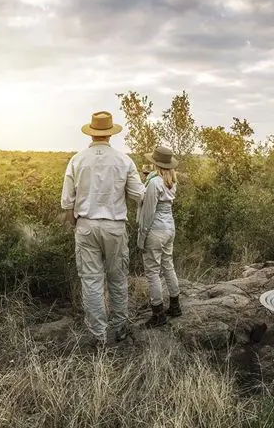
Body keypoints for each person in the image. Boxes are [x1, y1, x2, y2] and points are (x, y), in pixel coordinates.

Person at [61, 111, 145, 347]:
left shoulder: (77, 160)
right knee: (117, 279)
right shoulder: (124, 161)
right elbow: (139, 195)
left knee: (91, 281)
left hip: (86, 225)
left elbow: (68, 203)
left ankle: (98, 335)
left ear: (92, 132)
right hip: (115, 226)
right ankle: (119, 328)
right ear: (110, 134)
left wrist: (75, 225)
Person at [137, 146, 183, 328]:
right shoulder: (172, 181)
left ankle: (158, 313)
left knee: (153, 271)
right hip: (169, 227)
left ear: (156, 163)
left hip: (155, 228)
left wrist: (141, 238)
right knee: (168, 265)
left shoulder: (154, 183)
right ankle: (175, 305)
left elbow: (148, 213)